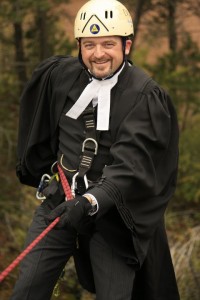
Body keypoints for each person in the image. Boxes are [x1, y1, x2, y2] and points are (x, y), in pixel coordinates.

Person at [11, 0, 180, 299]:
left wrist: (89, 201)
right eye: (89, 45)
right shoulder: (60, 75)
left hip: (114, 217)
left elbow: (130, 165)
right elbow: (37, 120)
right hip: (61, 203)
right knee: (27, 290)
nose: (98, 54)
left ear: (126, 46)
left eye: (108, 44)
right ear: (79, 46)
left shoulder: (144, 96)